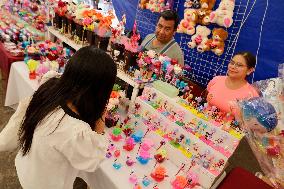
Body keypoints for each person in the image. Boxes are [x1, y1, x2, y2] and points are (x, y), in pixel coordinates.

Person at [0, 47, 117, 189]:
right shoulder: (75, 130)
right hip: (45, 183)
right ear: (100, 90)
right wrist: (100, 125)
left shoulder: (50, 86)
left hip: (27, 165)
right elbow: (92, 161)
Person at [206, 51, 259, 116]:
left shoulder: (252, 95)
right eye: (232, 63)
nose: (233, 67)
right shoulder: (216, 80)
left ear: (249, 70)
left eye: (239, 65)